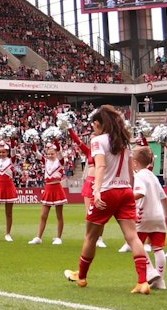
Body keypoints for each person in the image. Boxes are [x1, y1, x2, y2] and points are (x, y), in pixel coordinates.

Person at [63, 106, 157, 294]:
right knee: (132, 237)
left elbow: (100, 166)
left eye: (94, 125)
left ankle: (81, 276)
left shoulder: (99, 141)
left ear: (98, 124)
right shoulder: (124, 142)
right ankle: (142, 281)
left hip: (107, 191)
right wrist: (130, 190)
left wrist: (96, 191)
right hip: (125, 191)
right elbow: (130, 172)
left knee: (91, 236)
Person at [132, 162, 167, 291]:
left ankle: (150, 271)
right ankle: (161, 281)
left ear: (135, 163)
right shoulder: (153, 176)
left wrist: (125, 198)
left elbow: (140, 192)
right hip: (159, 216)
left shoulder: (139, 175)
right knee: (158, 248)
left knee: (136, 243)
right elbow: (164, 197)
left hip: (144, 215)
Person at [29, 140, 67, 245]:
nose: (50, 155)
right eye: (48, 154)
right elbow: (35, 152)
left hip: (57, 188)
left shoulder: (60, 161)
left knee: (59, 215)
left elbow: (59, 151)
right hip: (48, 189)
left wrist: (55, 139)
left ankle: (59, 237)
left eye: (52, 153)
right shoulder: (45, 161)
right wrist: (32, 140)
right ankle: (38, 237)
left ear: (56, 153)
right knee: (43, 215)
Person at [0, 143, 19, 242]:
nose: (1, 154)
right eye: (0, 152)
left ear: (7, 153)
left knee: (9, 213)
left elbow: (13, 151)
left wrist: (12, 139)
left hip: (9, 187)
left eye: (3, 152)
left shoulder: (11, 161)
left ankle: (8, 234)